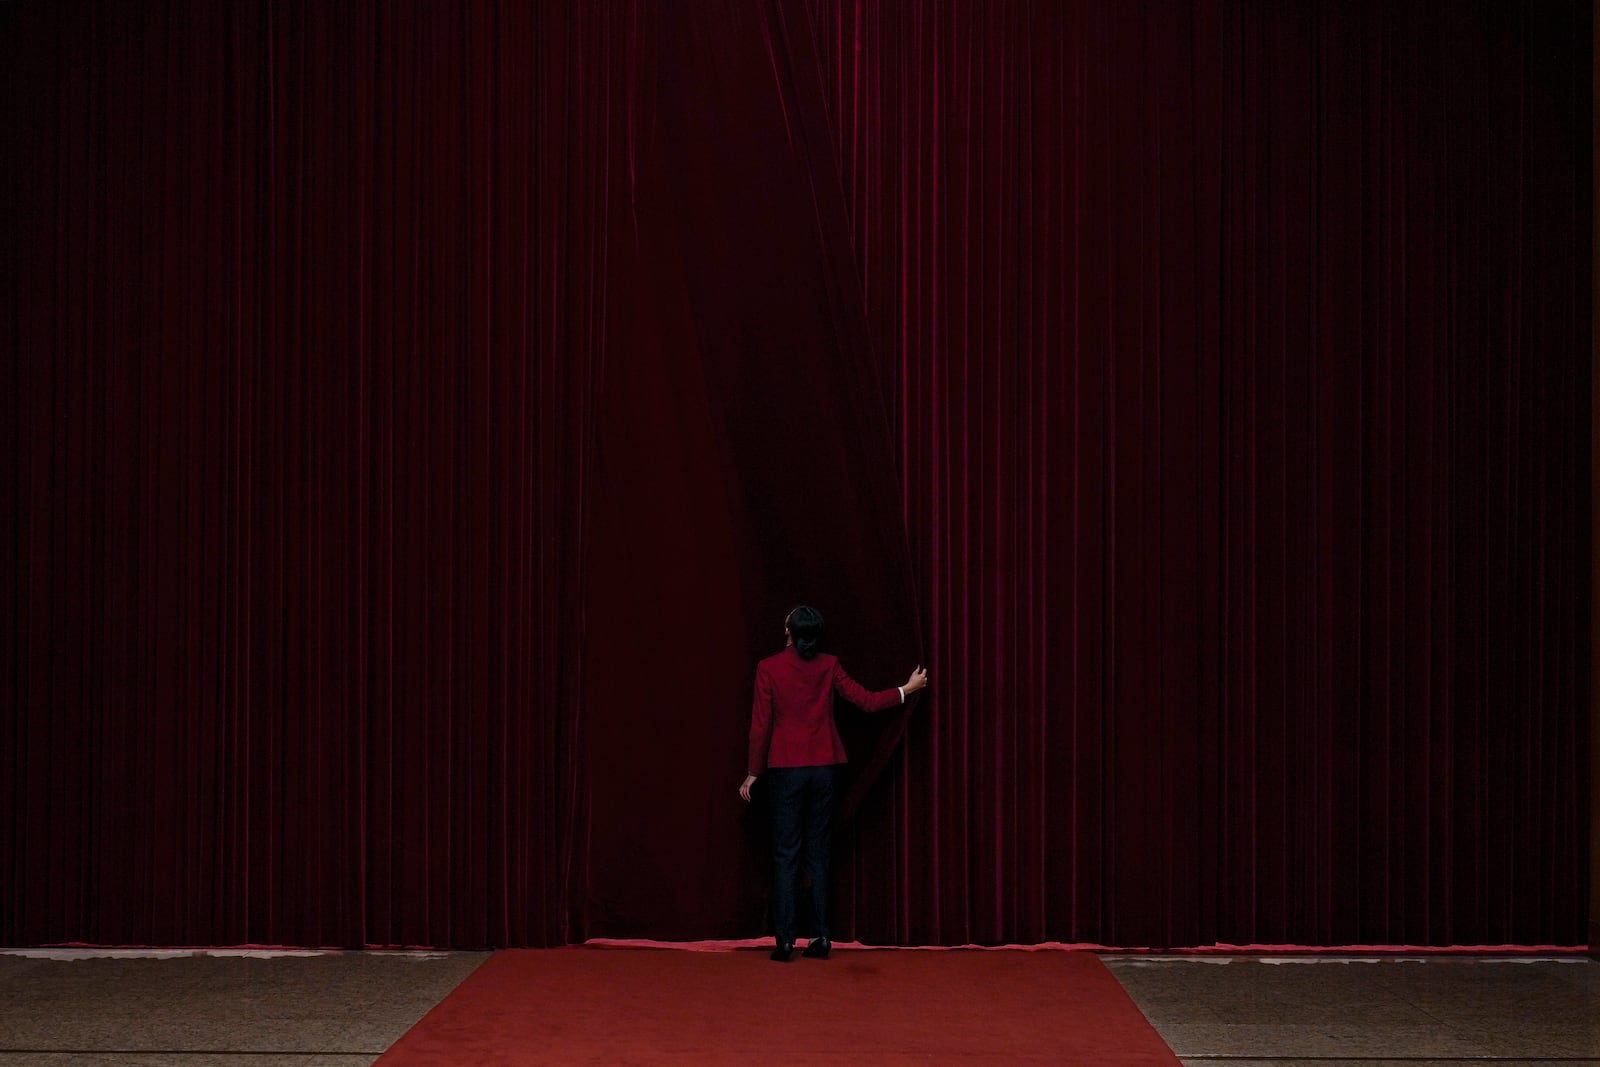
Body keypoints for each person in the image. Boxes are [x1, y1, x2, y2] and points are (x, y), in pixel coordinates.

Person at [739, 605, 928, 962]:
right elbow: (867, 701)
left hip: (786, 769)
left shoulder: (769, 668)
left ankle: (784, 941)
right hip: (825, 767)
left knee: (786, 854)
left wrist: (754, 770)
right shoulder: (829, 665)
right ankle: (822, 936)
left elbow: (760, 725)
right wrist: (907, 688)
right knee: (819, 852)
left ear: (788, 631)